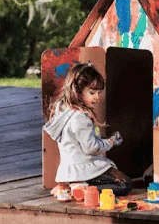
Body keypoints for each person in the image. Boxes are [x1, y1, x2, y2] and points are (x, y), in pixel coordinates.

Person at [43, 63, 133, 198]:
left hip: (69, 170)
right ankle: (82, 189)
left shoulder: (64, 111)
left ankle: (69, 187)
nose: (97, 97)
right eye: (92, 93)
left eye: (98, 93)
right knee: (125, 184)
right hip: (84, 168)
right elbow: (91, 148)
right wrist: (110, 142)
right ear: (77, 92)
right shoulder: (80, 117)